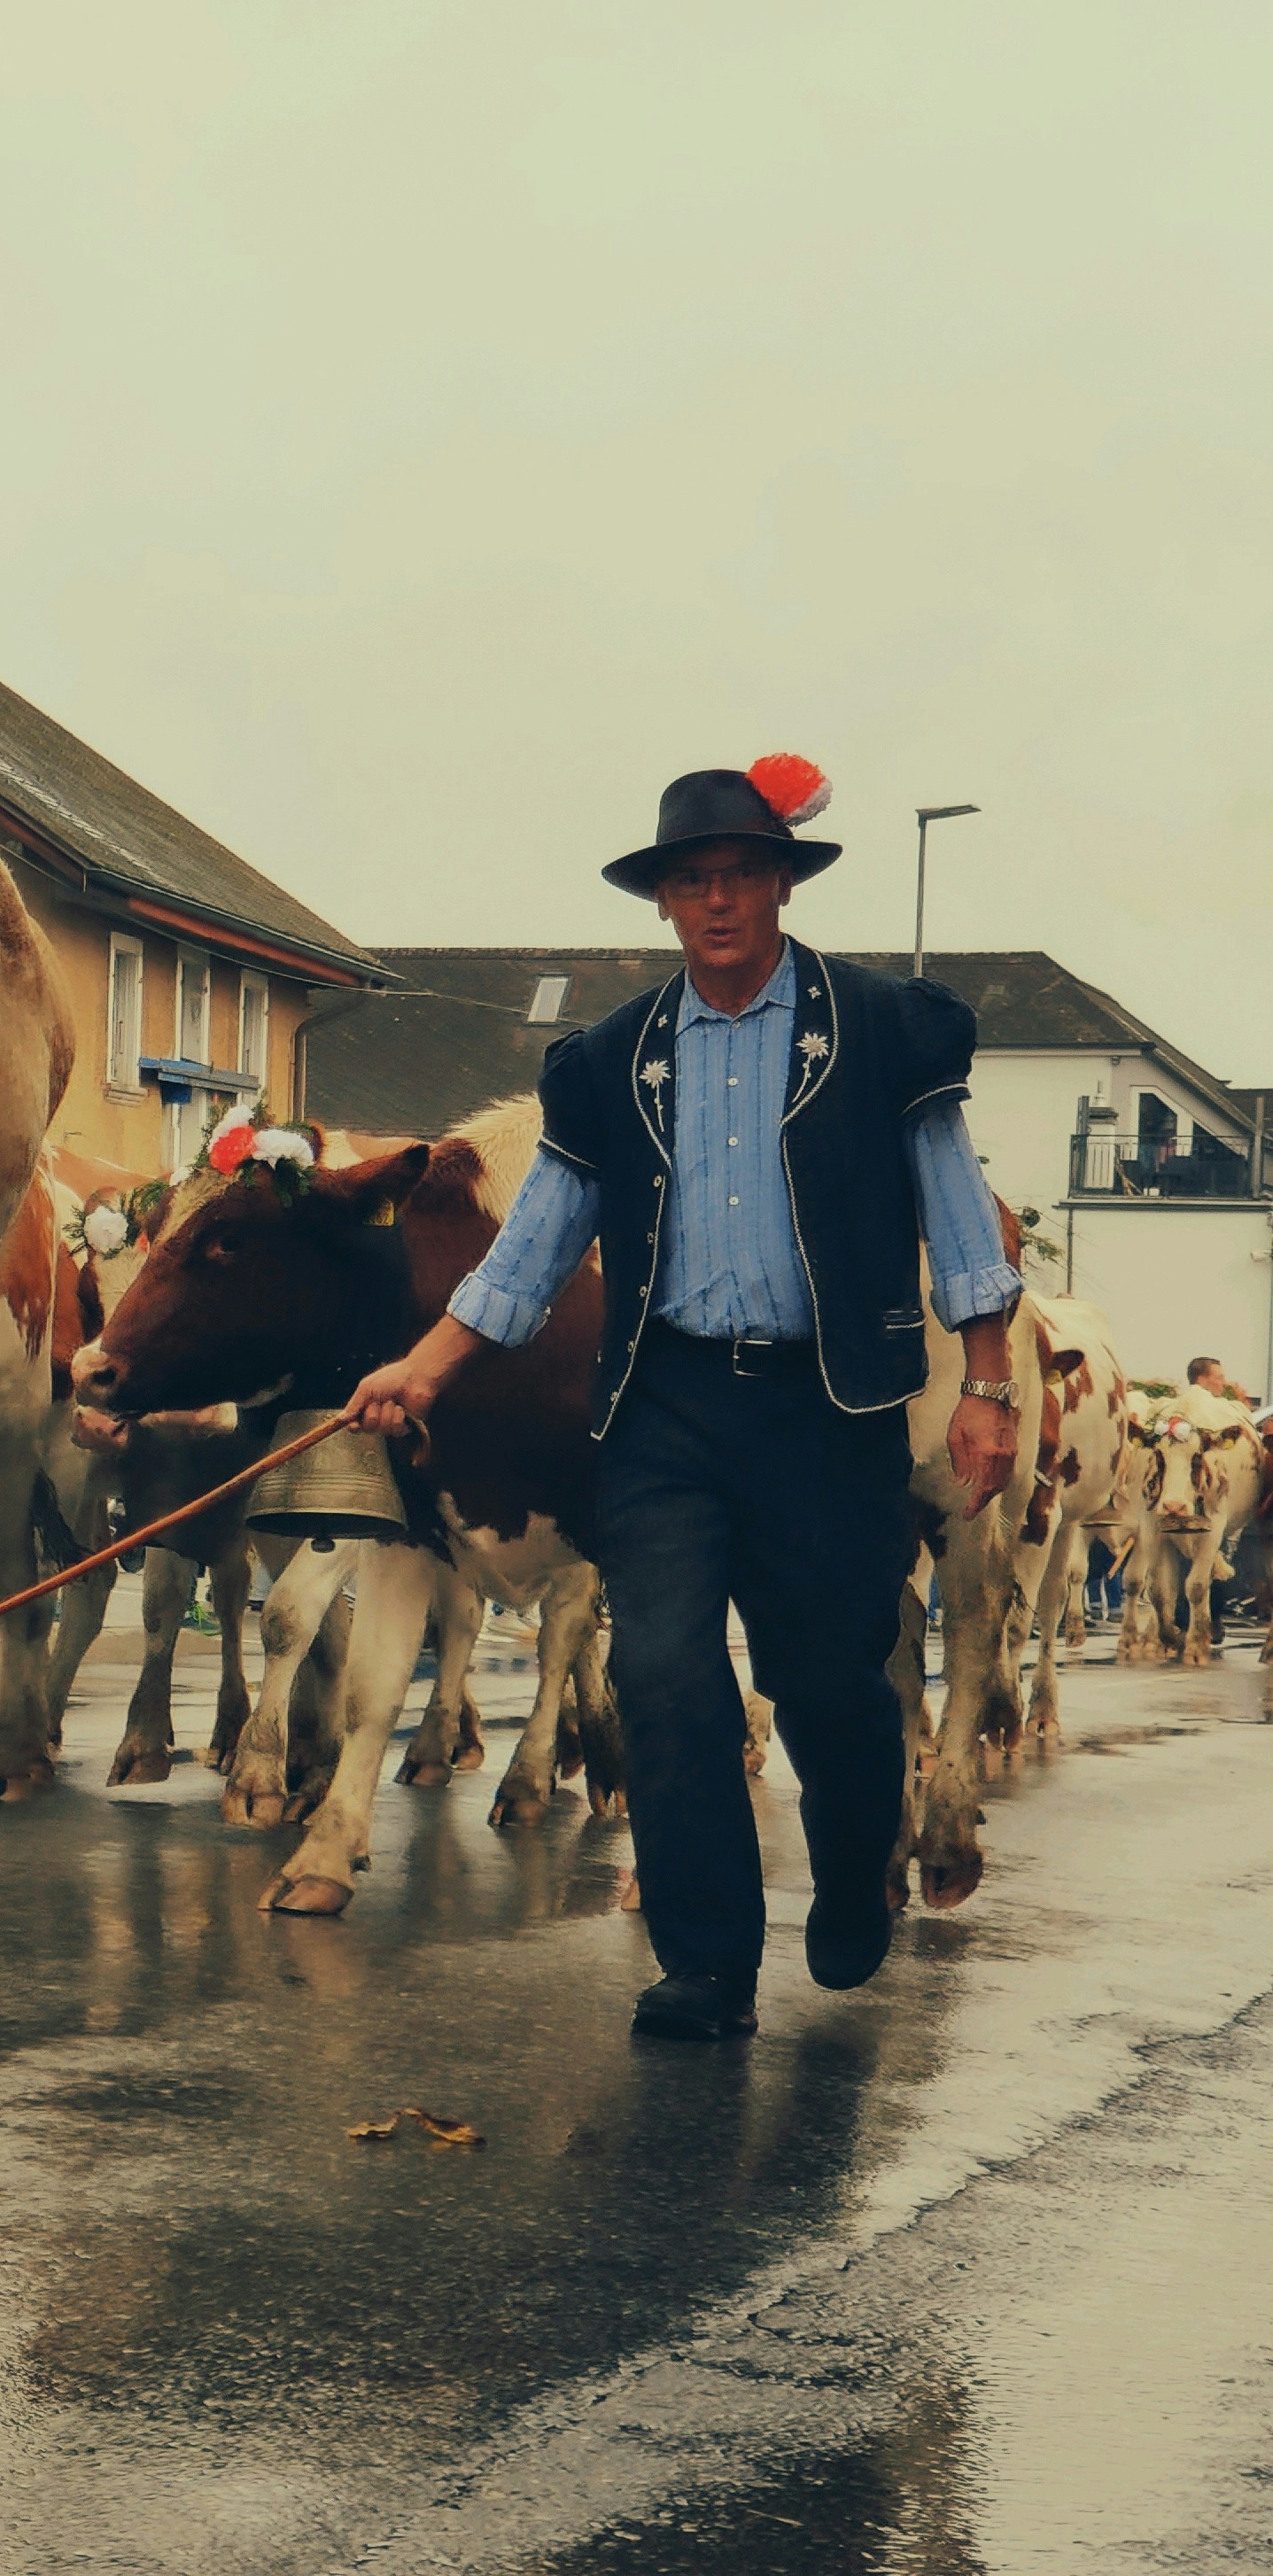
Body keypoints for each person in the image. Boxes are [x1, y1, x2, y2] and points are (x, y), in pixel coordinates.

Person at [347, 757, 1021, 2042]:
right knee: (659, 1671)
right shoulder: (610, 1062)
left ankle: (853, 1854)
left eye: (740, 876)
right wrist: (423, 1368)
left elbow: (955, 1209)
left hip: (829, 1409)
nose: (717, 901)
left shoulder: (880, 1029)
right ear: (663, 902)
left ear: (781, 885)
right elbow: (536, 1242)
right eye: (691, 882)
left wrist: (986, 1382)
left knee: (827, 1675)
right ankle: (707, 1960)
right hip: (666, 1407)